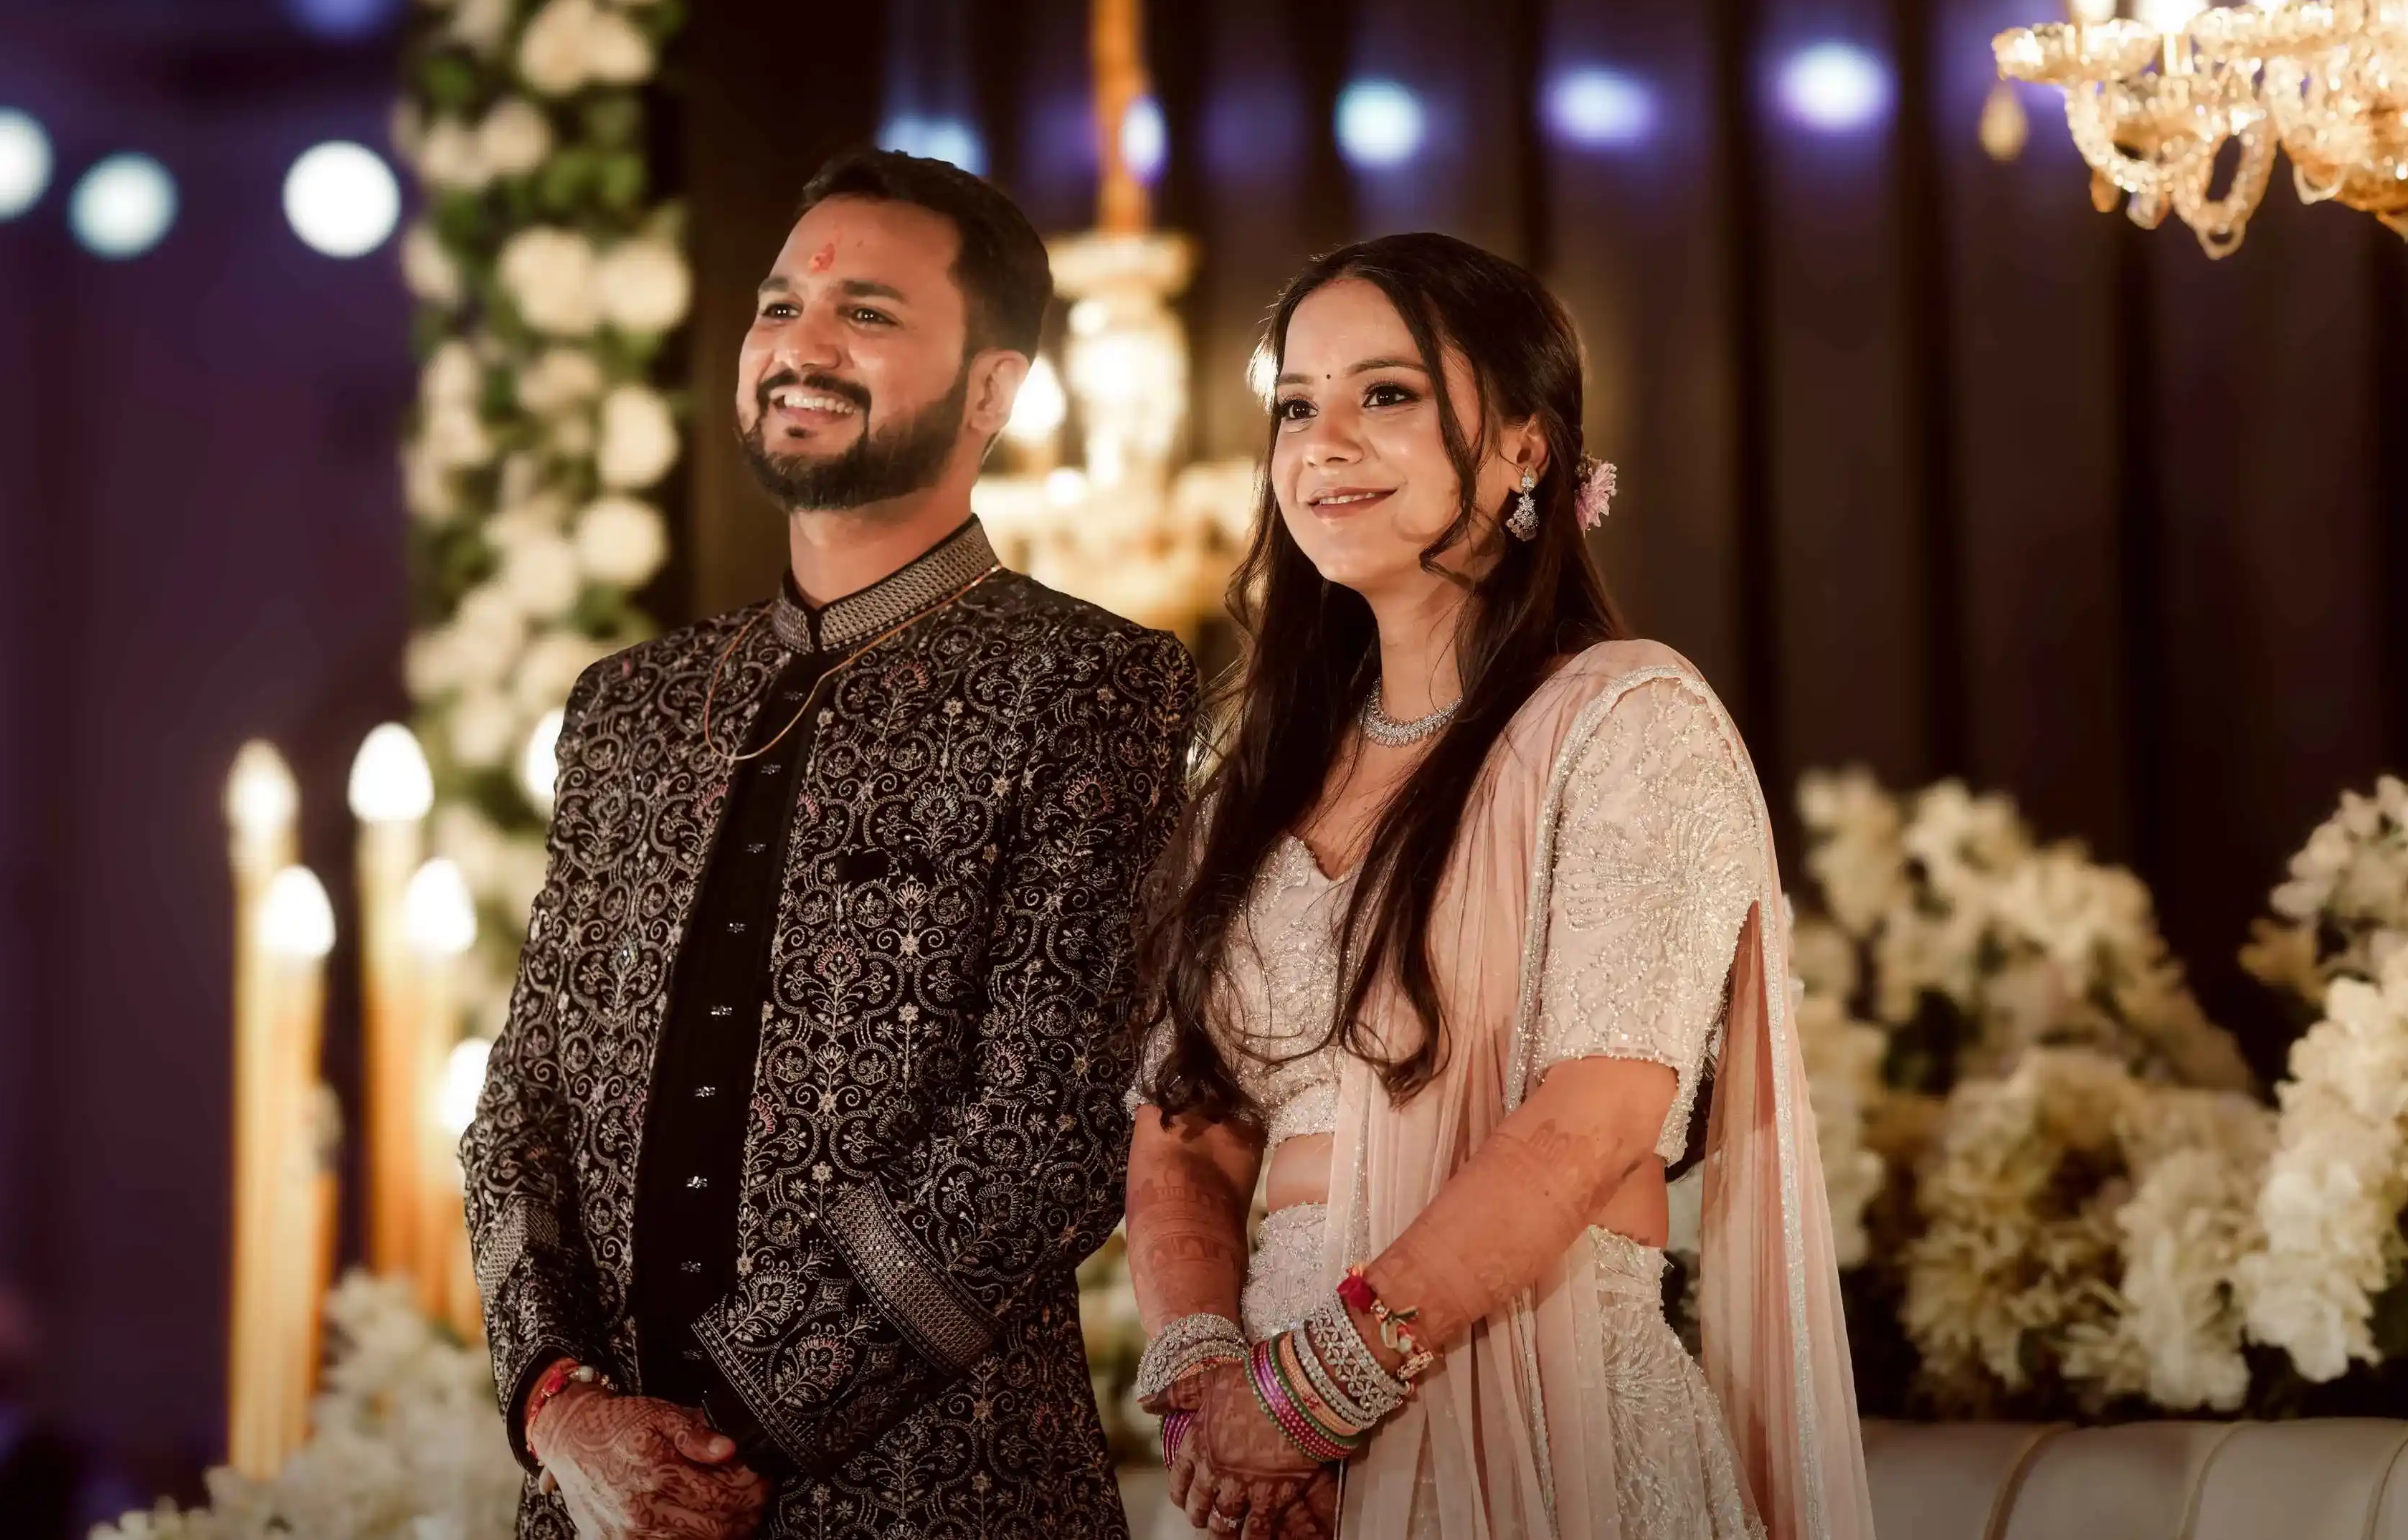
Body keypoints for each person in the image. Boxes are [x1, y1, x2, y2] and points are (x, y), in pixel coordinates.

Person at [462, 149, 1198, 1540]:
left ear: (994, 389)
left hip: (935, 1498)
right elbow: (520, 1114)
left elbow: (1046, 1133)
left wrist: (702, 1443)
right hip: (596, 1505)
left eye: (866, 313)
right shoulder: (633, 710)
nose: (800, 345)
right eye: (777, 305)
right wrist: (565, 1410)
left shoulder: (1090, 689)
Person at [1125, 233, 1871, 1540]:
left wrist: (1313, 1393)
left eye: (1387, 394)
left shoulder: (1627, 721)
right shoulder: (1250, 779)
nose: (1324, 440)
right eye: (1296, 405)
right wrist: (1203, 1394)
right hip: (1278, 1481)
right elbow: (1186, 1123)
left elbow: (1597, 1111)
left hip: (1541, 1412)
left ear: (1527, 445)